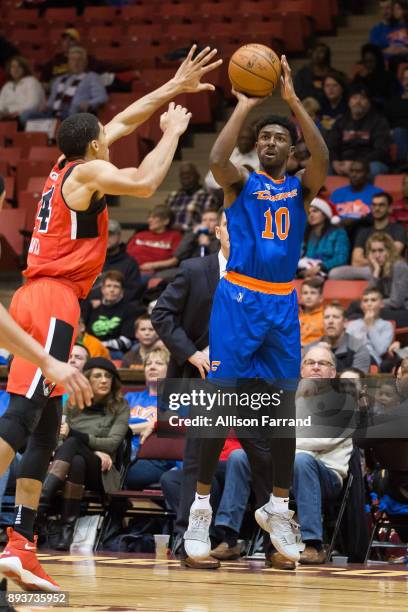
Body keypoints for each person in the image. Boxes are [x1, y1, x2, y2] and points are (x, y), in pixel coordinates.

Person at [0, 43, 221, 591]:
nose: (112, 132)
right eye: (105, 134)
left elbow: (124, 117)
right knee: (22, 419)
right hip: (52, 298)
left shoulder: (63, 165)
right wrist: (171, 133)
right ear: (95, 144)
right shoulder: (90, 173)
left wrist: (174, 87)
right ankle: (15, 545)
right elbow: (146, 183)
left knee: (45, 431)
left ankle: (20, 547)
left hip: (45, 295)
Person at [184, 54, 329, 564]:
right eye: (264, 137)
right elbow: (217, 160)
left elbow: (324, 156)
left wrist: (290, 100)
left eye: (279, 138)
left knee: (283, 410)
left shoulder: (301, 188)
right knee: (217, 404)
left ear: (290, 149)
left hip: (282, 303)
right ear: (256, 144)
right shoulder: (240, 182)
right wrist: (244, 107)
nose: (270, 143)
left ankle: (279, 507)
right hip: (239, 299)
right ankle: (201, 507)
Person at [152, 210, 292, 570]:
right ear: (219, 231)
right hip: (205, 378)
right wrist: (192, 353)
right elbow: (162, 315)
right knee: (199, 457)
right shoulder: (194, 270)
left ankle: (274, 540)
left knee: (262, 456)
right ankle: (189, 542)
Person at [40, 358, 129, 550]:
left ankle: (40, 504)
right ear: (86, 380)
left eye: (108, 376)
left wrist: (75, 436)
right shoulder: (71, 403)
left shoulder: (121, 406)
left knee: (73, 441)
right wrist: (95, 450)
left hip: (102, 473)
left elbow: (113, 443)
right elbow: (57, 438)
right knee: (77, 461)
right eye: (98, 376)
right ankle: (66, 532)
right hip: (74, 466)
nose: (104, 380)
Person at [294, 345, 353, 564]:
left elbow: (323, 439)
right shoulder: (289, 401)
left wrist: (285, 443)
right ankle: (229, 537)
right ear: (302, 370)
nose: (316, 368)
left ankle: (313, 544)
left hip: (328, 476)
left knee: (301, 460)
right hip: (289, 471)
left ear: (333, 373)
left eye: (323, 363)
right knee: (240, 459)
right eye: (310, 363)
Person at [124, 348, 177, 489]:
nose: (152, 366)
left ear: (169, 369)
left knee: (123, 474)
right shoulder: (130, 397)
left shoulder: (176, 399)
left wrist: (128, 428)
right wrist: (148, 425)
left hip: (156, 459)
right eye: (148, 364)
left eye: (159, 363)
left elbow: (171, 425)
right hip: (123, 452)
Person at [23, 46, 108, 122]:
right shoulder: (59, 80)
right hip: (53, 114)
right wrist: (45, 106)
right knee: (27, 115)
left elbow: (102, 97)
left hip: (74, 114)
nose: (76, 63)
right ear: (68, 62)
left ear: (85, 62)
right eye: (73, 59)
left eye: (79, 59)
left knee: (73, 110)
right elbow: (51, 102)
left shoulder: (92, 77)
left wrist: (89, 104)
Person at [328, 84, 391, 177]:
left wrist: (355, 164)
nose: (358, 101)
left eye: (363, 98)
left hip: (370, 162)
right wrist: (335, 162)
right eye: (354, 98)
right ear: (349, 102)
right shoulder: (340, 122)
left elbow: (381, 151)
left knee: (373, 169)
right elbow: (332, 147)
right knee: (323, 169)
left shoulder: (379, 122)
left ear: (369, 103)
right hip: (343, 163)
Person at [82, 270, 144, 359]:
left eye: (116, 286)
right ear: (102, 289)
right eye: (108, 286)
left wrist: (99, 345)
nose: (112, 290)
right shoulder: (93, 308)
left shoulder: (130, 310)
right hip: (91, 349)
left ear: (122, 290)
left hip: (115, 352)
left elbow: (126, 342)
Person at [89, 219, 143, 302]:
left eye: (110, 234)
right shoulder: (90, 260)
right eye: (103, 234)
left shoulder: (130, 263)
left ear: (119, 236)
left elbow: (133, 293)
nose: (106, 237)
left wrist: (105, 303)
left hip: (117, 310)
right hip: (88, 309)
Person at [126, 204, 182, 280]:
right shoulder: (140, 235)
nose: (149, 220)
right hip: (129, 269)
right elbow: (125, 254)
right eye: (149, 217)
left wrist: (152, 265)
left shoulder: (175, 236)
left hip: (153, 272)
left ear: (166, 221)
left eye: (154, 217)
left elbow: (174, 260)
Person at [298, 197, 349, 278]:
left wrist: (320, 267)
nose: (311, 215)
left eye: (315, 211)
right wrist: (302, 272)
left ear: (325, 214)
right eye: (308, 212)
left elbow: (341, 258)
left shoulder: (339, 233)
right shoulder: (305, 233)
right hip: (308, 269)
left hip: (328, 270)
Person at [366, 232, 408, 326]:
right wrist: (376, 271)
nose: (377, 255)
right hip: (389, 310)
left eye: (381, 250)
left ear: (389, 251)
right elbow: (368, 296)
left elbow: (396, 302)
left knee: (366, 311)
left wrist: (371, 303)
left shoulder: (399, 266)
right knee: (358, 310)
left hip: (404, 311)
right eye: (373, 251)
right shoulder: (377, 267)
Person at [316, 302, 371, 373]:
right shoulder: (311, 348)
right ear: (322, 323)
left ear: (345, 323)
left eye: (335, 317)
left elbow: (357, 381)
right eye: (326, 317)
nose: (330, 321)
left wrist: (330, 356)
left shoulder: (359, 348)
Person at [346, 288, 394, 367]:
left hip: (372, 359)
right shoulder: (352, 324)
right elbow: (346, 346)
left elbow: (380, 350)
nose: (369, 304)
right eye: (365, 301)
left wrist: (370, 325)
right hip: (351, 357)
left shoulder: (386, 325)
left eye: (373, 300)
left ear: (381, 304)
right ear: (361, 305)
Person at [165, 162, 218, 230]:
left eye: (189, 175)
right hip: (171, 235)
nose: (185, 178)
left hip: (193, 236)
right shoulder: (173, 197)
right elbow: (163, 218)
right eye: (182, 176)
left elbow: (210, 223)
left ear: (198, 176)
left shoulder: (208, 197)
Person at [204, 126, 258, 192]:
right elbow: (208, 179)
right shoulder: (227, 153)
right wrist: (224, 189)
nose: (244, 142)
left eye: (248, 139)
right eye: (242, 138)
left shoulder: (259, 158)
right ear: (237, 139)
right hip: (221, 193)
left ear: (254, 141)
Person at [0, 56, 45, 122]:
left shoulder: (32, 81)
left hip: (28, 117)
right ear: (9, 69)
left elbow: (32, 105)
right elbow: (1, 105)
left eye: (19, 66)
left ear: (25, 69)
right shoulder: (7, 86)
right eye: (13, 67)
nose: (16, 69)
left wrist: (9, 112)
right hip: (8, 117)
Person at [385, 66, 408, 164]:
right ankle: (402, 166)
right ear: (402, 82)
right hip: (399, 138)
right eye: (405, 79)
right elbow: (385, 126)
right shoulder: (392, 103)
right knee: (399, 132)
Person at [298, 278, 325, 347]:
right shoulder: (294, 316)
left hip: (315, 352)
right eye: (305, 293)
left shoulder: (325, 316)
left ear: (321, 298)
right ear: (301, 297)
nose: (308, 296)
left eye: (313, 293)